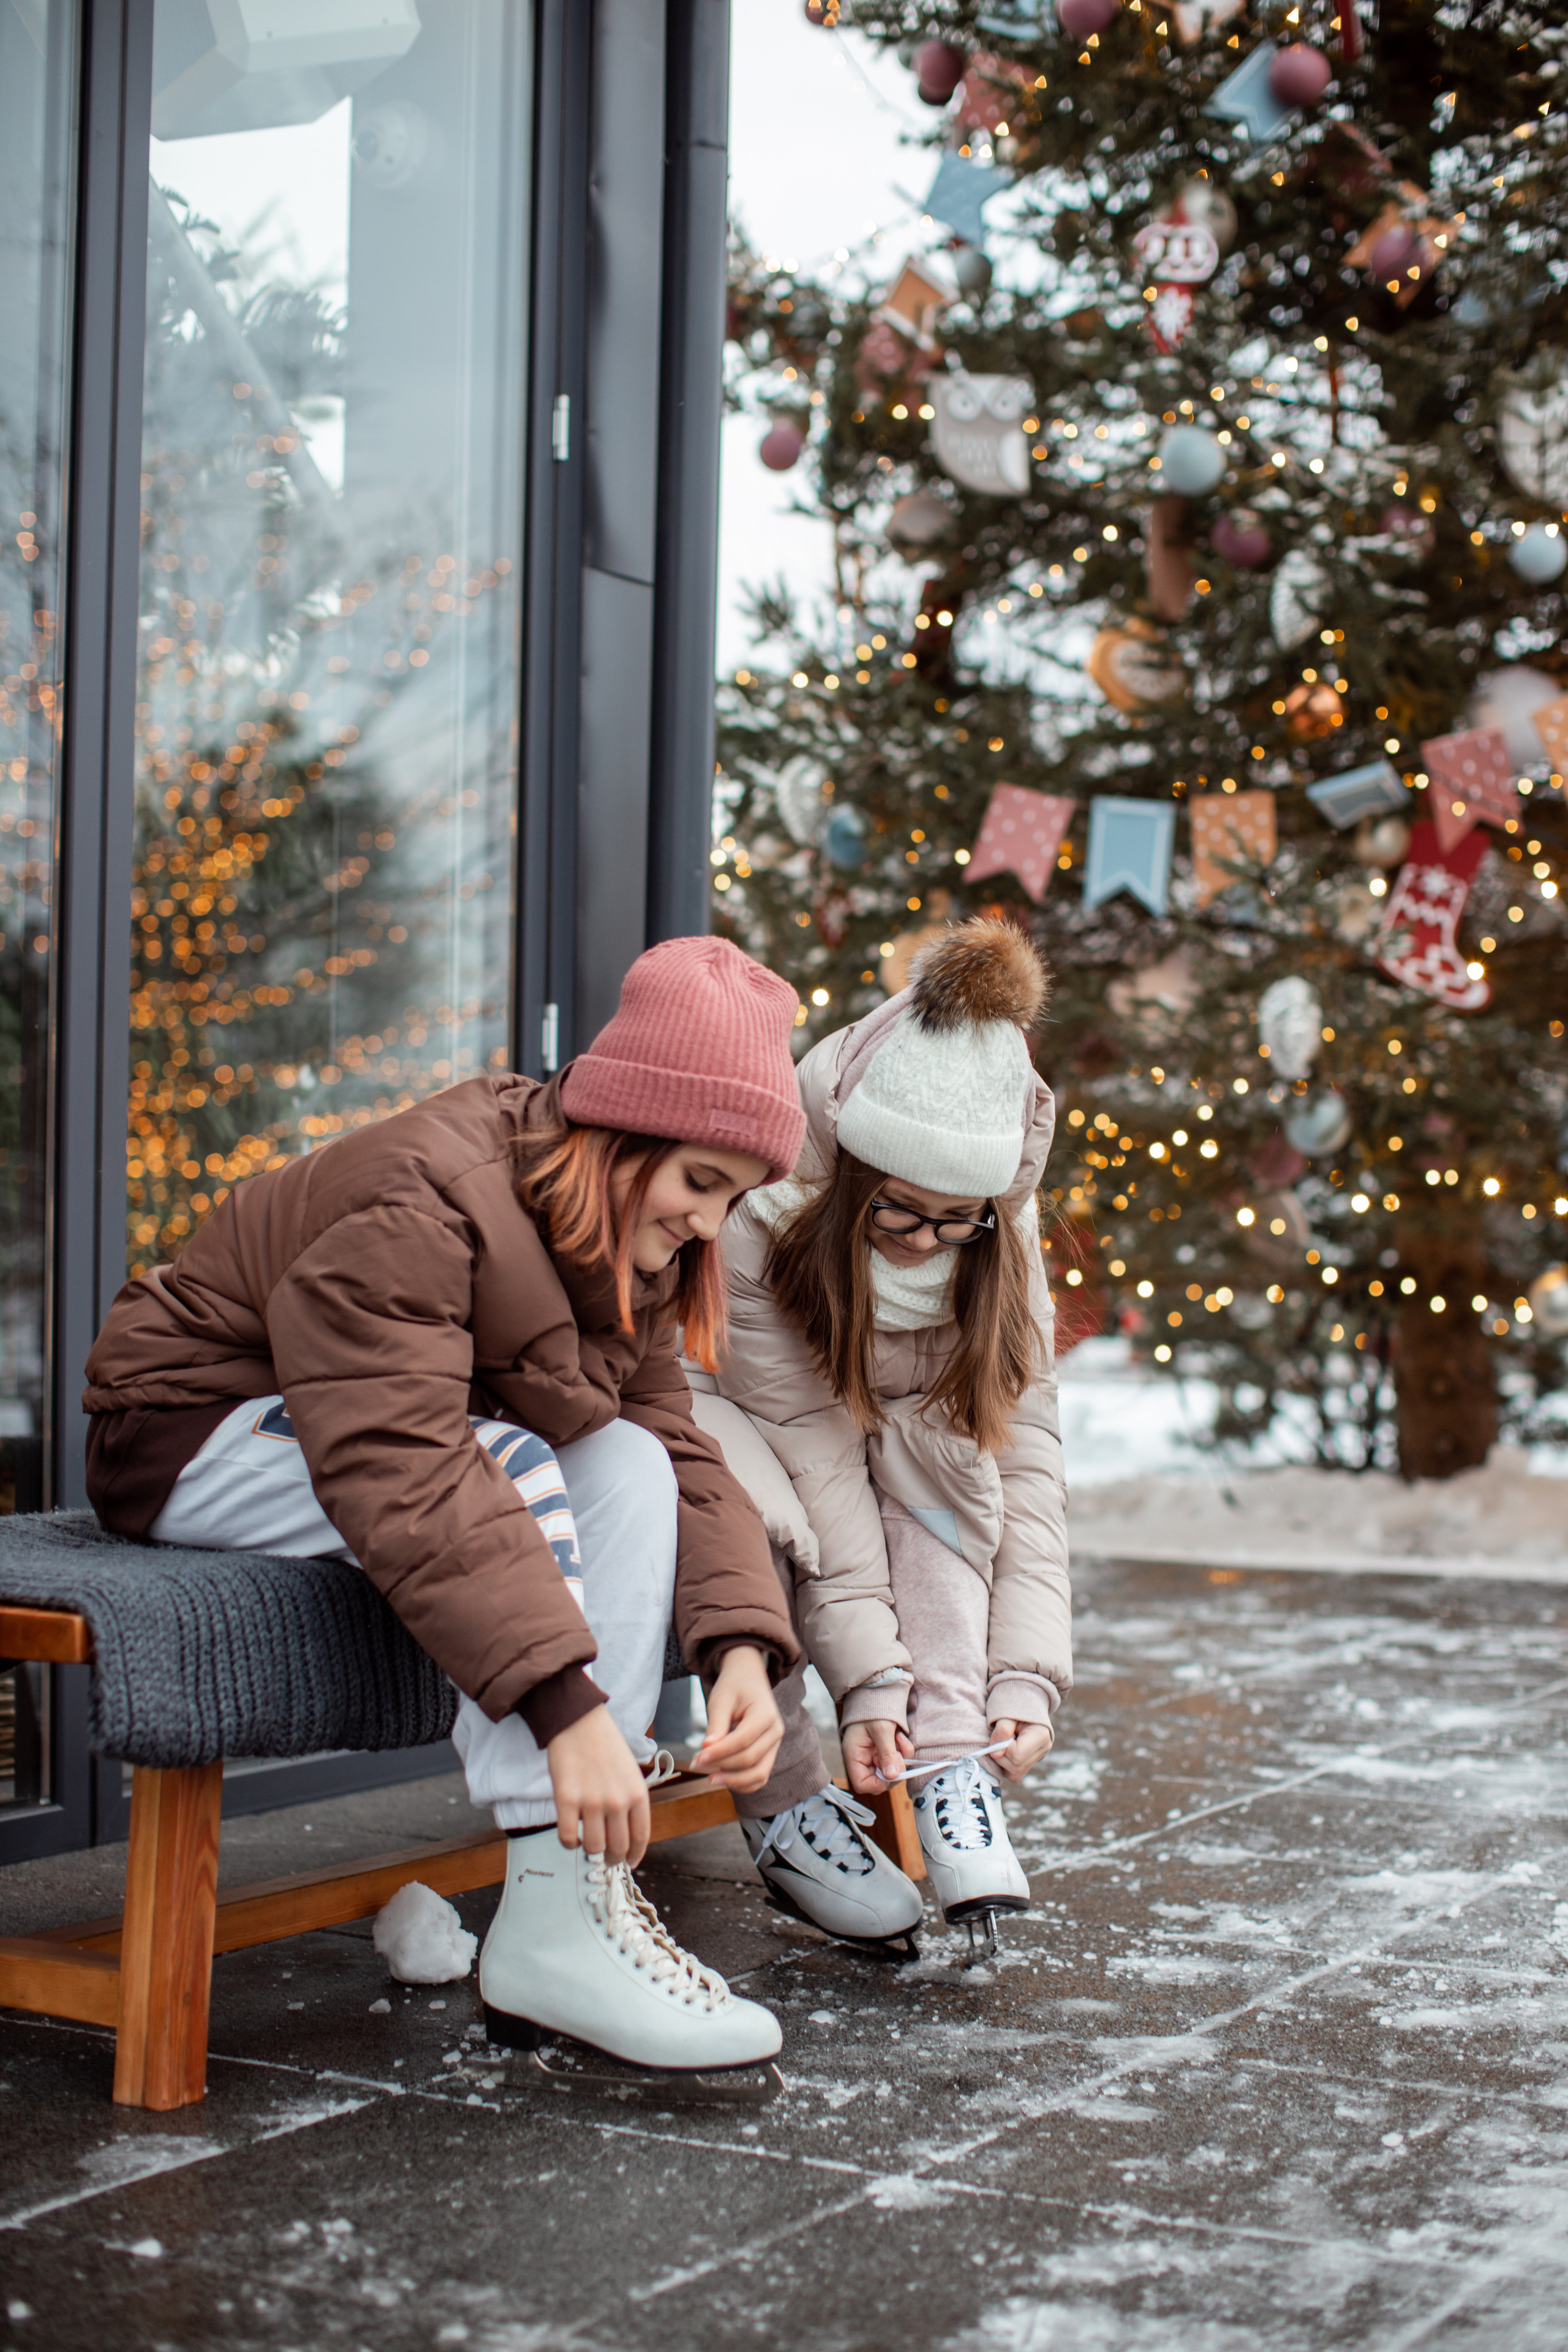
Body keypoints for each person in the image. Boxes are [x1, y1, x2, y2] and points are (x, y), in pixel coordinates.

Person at [83, 937, 809, 2078]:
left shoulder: (623, 1248)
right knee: (514, 1460)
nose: (711, 1225)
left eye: (735, 1195)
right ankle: (561, 1893)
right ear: (623, 1133)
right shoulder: (426, 1191)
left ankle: (564, 1908)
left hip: (334, 1427)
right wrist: (568, 1713)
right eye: (700, 1183)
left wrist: (740, 1649)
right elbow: (398, 1452)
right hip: (187, 1431)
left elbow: (675, 1441)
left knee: (623, 1459)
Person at [690, 917, 1069, 1950]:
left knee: (945, 1472)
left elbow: (1025, 1462)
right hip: (735, 1424)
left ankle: (952, 1768)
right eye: (900, 1213)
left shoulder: (1001, 1241)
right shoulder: (765, 1217)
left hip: (871, 1446)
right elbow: (810, 1448)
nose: (927, 1243)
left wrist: (1025, 1671)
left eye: (961, 1220)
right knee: (762, 1524)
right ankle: (787, 1810)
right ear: (852, 1176)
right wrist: (870, 1685)